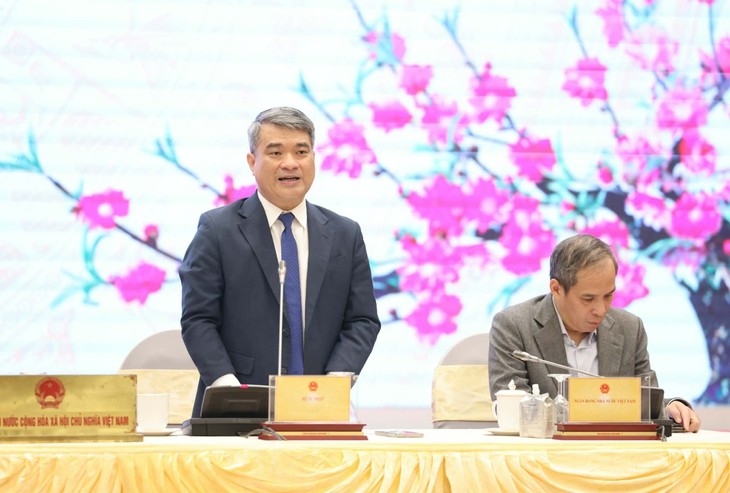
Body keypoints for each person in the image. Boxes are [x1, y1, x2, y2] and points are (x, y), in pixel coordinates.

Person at [179, 106, 381, 417]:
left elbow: (362, 320)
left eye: (301, 151)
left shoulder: (345, 233)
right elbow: (198, 319)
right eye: (275, 152)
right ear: (252, 162)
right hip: (236, 409)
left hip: (319, 407)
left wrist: (335, 383)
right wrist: (228, 388)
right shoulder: (218, 230)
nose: (290, 163)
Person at [488, 234, 701, 432]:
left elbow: (644, 403)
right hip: (544, 454)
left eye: (608, 296)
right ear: (556, 288)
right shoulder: (514, 325)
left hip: (615, 453)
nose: (600, 310)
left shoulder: (629, 328)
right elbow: (512, 409)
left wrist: (670, 407)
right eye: (588, 299)